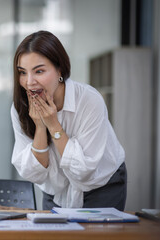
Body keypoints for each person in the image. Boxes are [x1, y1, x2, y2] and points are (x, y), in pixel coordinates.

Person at [11, 30, 127, 210]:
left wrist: (53, 124)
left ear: (60, 70)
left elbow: (84, 170)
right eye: (22, 72)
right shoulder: (20, 107)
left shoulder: (89, 99)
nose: (29, 82)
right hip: (56, 188)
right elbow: (33, 173)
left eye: (39, 71)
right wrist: (40, 127)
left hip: (100, 184)